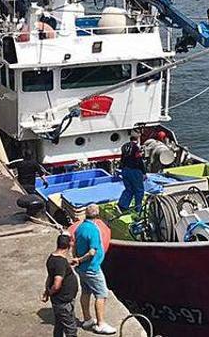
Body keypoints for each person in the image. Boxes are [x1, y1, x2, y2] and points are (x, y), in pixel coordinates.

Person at [73, 205, 117, 335]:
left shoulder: (80, 228)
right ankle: (101, 324)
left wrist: (76, 258)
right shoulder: (93, 230)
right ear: (97, 216)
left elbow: (74, 245)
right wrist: (80, 259)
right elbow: (92, 252)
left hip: (81, 269)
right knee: (101, 294)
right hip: (92, 268)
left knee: (86, 292)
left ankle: (87, 319)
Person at [43, 233, 79, 337]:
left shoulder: (52, 258)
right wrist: (50, 292)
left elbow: (50, 276)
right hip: (63, 301)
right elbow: (57, 284)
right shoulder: (61, 263)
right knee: (71, 329)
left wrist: (47, 292)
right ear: (68, 246)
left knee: (59, 324)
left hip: (60, 300)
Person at [117, 133, 145, 212]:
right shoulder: (136, 148)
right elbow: (139, 161)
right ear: (137, 139)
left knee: (129, 189)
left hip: (125, 170)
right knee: (139, 190)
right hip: (135, 171)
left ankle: (122, 205)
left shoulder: (124, 146)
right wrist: (144, 172)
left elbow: (122, 159)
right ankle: (138, 208)